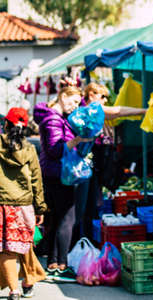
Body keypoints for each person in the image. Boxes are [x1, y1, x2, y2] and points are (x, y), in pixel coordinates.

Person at [72, 82, 147, 244]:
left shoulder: (89, 112)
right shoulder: (88, 111)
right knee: (82, 209)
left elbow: (115, 113)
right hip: (81, 167)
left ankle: (84, 243)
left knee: (88, 206)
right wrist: (144, 111)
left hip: (89, 167)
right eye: (102, 96)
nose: (105, 100)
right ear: (91, 95)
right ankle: (80, 244)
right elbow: (117, 111)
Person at [33, 86, 90, 282]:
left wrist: (80, 100)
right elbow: (55, 150)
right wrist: (78, 140)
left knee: (58, 219)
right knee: (67, 219)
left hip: (57, 174)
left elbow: (82, 111)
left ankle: (54, 264)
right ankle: (62, 265)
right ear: (62, 96)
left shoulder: (55, 117)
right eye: (73, 102)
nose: (75, 107)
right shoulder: (52, 120)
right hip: (57, 175)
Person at [0, 107, 47, 299]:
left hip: (1, 204)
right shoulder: (29, 150)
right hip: (24, 205)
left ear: (5, 124)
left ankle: (14, 289)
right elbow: (36, 180)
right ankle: (29, 280)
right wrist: (40, 207)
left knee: (5, 247)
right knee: (23, 245)